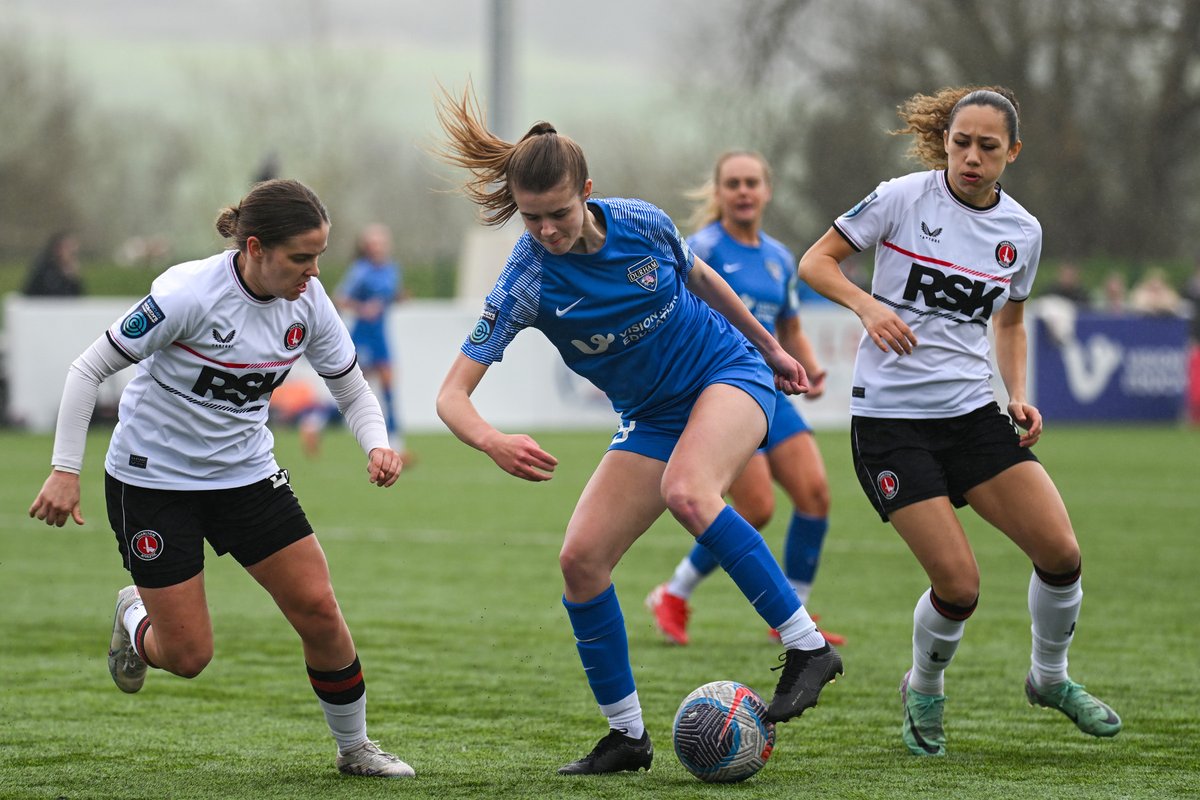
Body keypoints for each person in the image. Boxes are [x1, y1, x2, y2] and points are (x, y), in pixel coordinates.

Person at [433, 86, 843, 775]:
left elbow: (703, 277)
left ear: (586, 192)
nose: (546, 232)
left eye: (558, 214)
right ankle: (628, 737)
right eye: (530, 219)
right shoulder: (527, 278)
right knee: (580, 560)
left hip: (728, 371)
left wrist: (771, 350)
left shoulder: (640, 223)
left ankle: (807, 646)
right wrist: (491, 439)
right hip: (652, 415)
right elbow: (451, 396)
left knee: (690, 490)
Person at [27, 179, 414, 779]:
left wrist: (377, 445)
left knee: (317, 606)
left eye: (319, 256)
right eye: (300, 258)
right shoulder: (187, 294)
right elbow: (88, 369)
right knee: (187, 657)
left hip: (246, 476)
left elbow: (351, 387)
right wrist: (63, 470)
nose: (313, 273)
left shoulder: (308, 304)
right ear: (255, 248)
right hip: (152, 481)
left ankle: (355, 749)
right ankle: (134, 616)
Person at [796, 86, 1122, 756]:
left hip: (973, 415)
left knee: (1061, 554)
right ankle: (924, 687)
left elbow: (1011, 321)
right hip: (891, 423)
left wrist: (1017, 395)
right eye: (961, 142)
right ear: (946, 140)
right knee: (960, 585)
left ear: (1013, 153)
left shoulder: (1022, 232)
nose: (971, 157)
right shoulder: (900, 198)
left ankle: (1049, 678)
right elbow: (815, 262)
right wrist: (868, 306)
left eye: (988, 147)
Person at [646, 151, 844, 648]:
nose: (743, 191)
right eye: (732, 183)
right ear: (719, 193)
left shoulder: (778, 257)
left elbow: (789, 326)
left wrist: (809, 365)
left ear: (766, 190)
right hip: (719, 390)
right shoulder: (701, 248)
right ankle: (674, 592)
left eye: (751, 182)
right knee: (754, 507)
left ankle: (790, 615)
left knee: (815, 495)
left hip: (770, 390)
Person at [335, 223, 411, 460]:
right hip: (363, 335)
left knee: (389, 383)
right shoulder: (361, 271)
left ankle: (394, 437)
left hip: (381, 335)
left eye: (382, 243)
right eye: (374, 243)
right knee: (353, 388)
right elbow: (340, 298)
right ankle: (316, 419)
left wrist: (400, 298)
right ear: (366, 247)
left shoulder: (391, 269)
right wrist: (362, 308)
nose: (379, 247)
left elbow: (390, 295)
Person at [23, 231, 83, 296]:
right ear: (58, 249)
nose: (72, 253)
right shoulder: (44, 269)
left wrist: (74, 280)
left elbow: (75, 298)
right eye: (68, 248)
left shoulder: (70, 271)